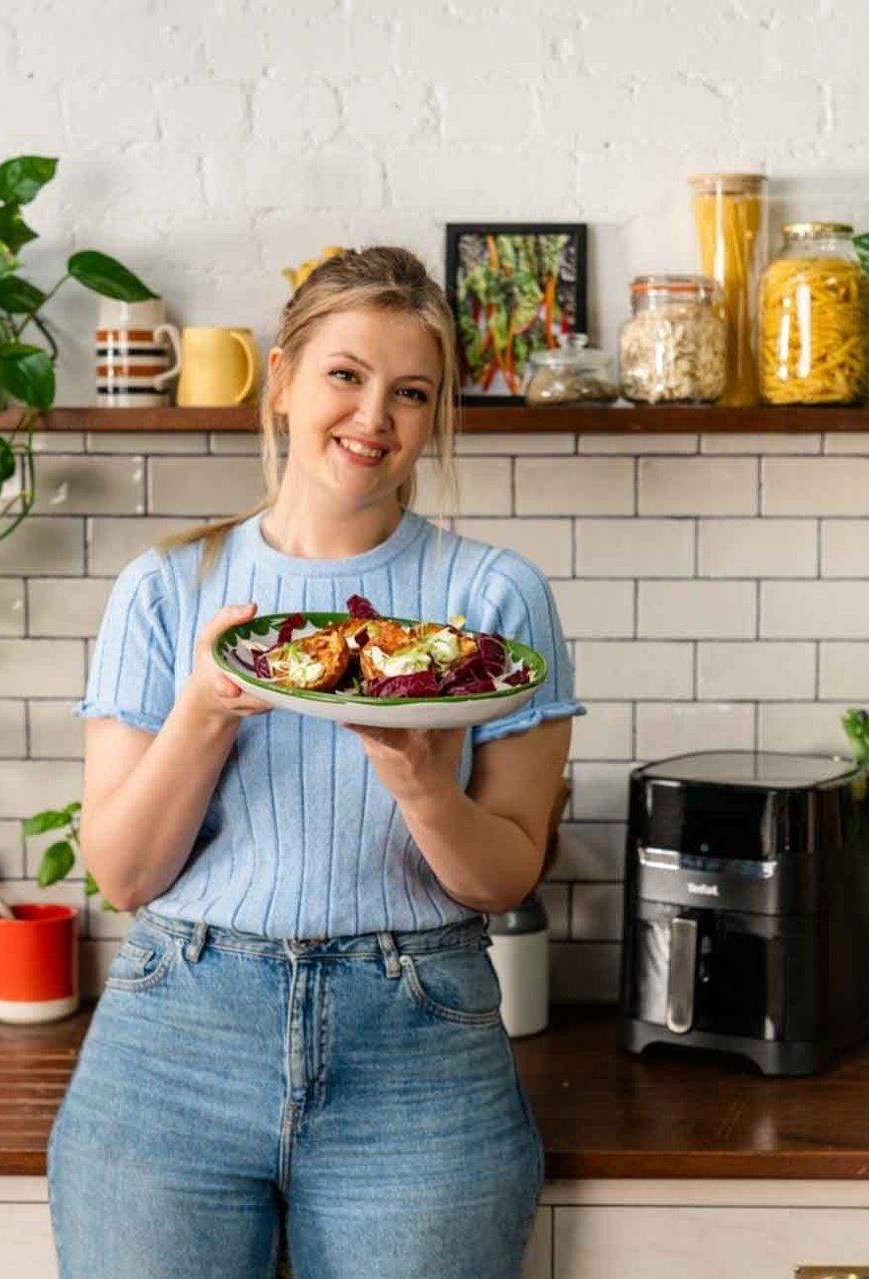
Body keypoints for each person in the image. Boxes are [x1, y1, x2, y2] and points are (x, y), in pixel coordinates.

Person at [47, 246, 585, 1279]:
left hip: (419, 1040)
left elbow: (505, 874)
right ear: (283, 380)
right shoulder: (167, 589)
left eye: (411, 392)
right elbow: (122, 874)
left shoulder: (493, 599)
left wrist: (422, 782)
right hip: (176, 1038)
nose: (373, 416)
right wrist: (207, 706)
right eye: (345, 374)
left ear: (434, 417)